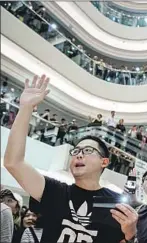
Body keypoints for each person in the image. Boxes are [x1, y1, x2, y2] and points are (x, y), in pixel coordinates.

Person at [4, 75, 137, 243]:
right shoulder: (55, 191)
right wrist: (25, 109)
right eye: (76, 151)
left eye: (88, 150)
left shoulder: (115, 204)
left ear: (104, 162)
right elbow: (13, 162)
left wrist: (131, 236)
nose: (79, 154)